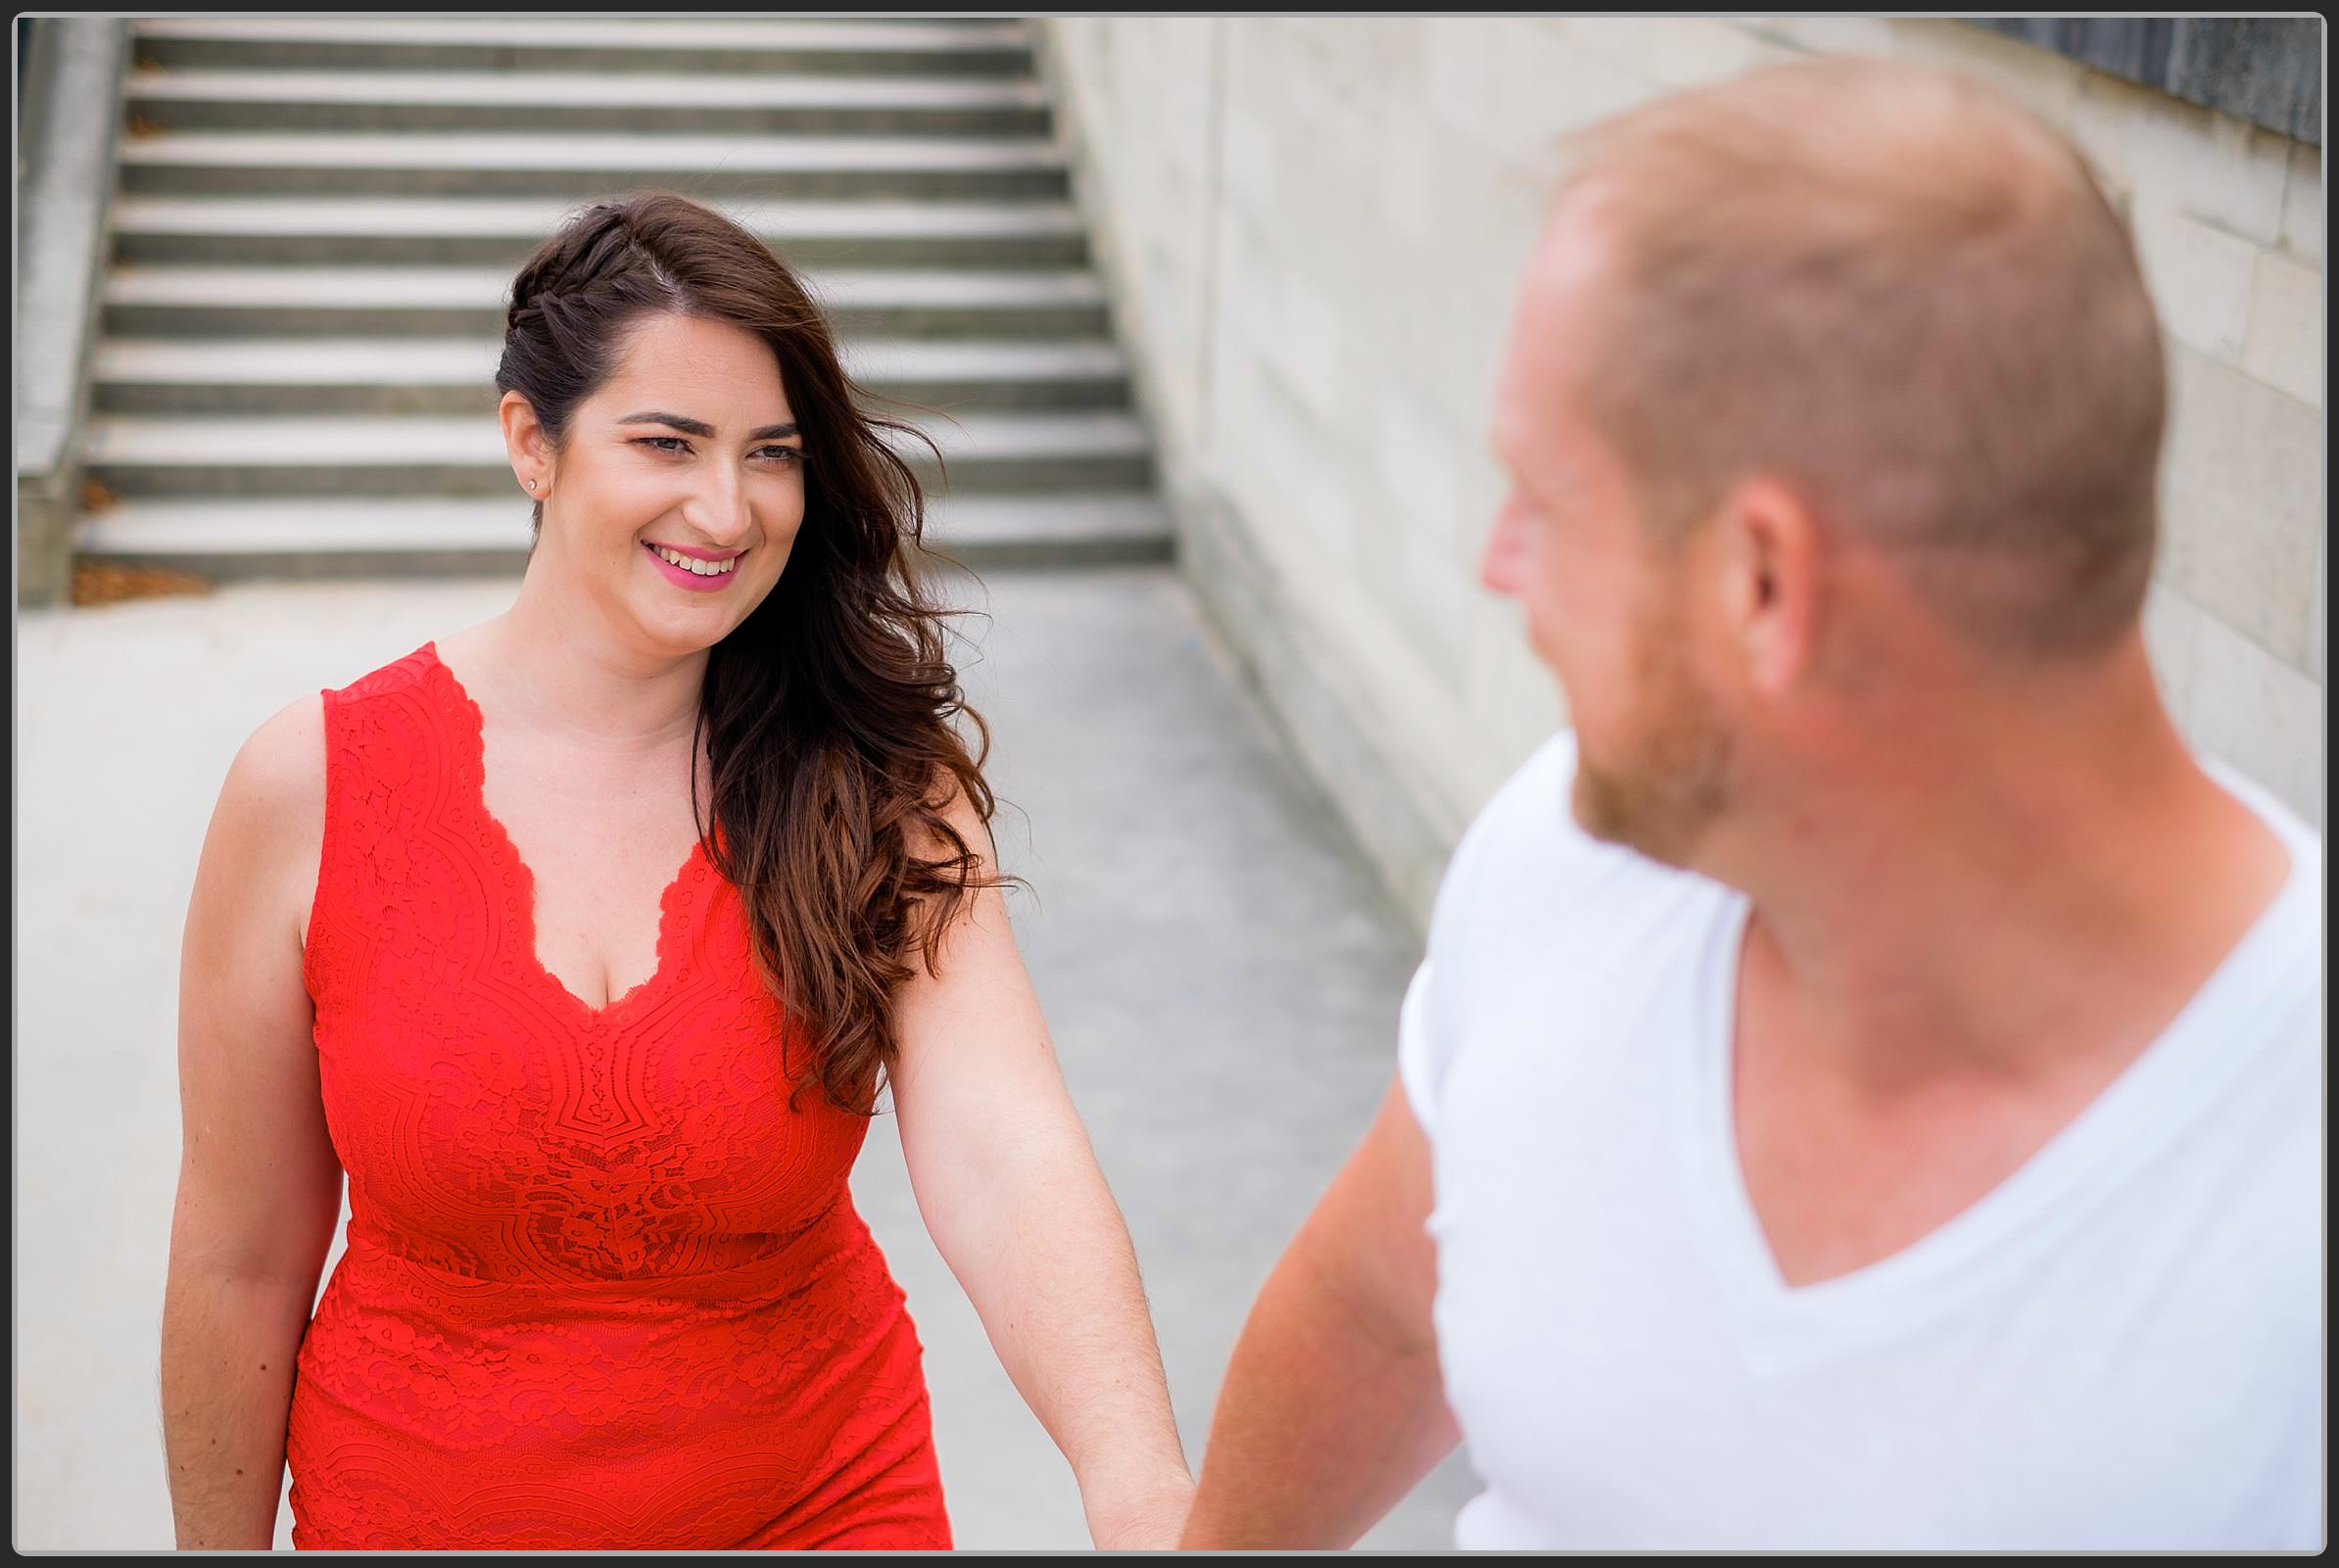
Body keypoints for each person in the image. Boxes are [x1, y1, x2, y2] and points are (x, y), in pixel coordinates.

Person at [1181, 55, 2322, 1553]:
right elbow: (1383, 1313)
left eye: (1547, 501)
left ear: (1765, 584)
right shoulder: (1561, 859)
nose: (1498, 568)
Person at [160, 190, 1195, 1551]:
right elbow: (242, 1258)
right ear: (532, 440)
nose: (728, 506)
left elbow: (1006, 1153)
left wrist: (1140, 1480)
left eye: (771, 453)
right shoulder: (310, 784)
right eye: (668, 441)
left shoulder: (878, 781)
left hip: (821, 1503)